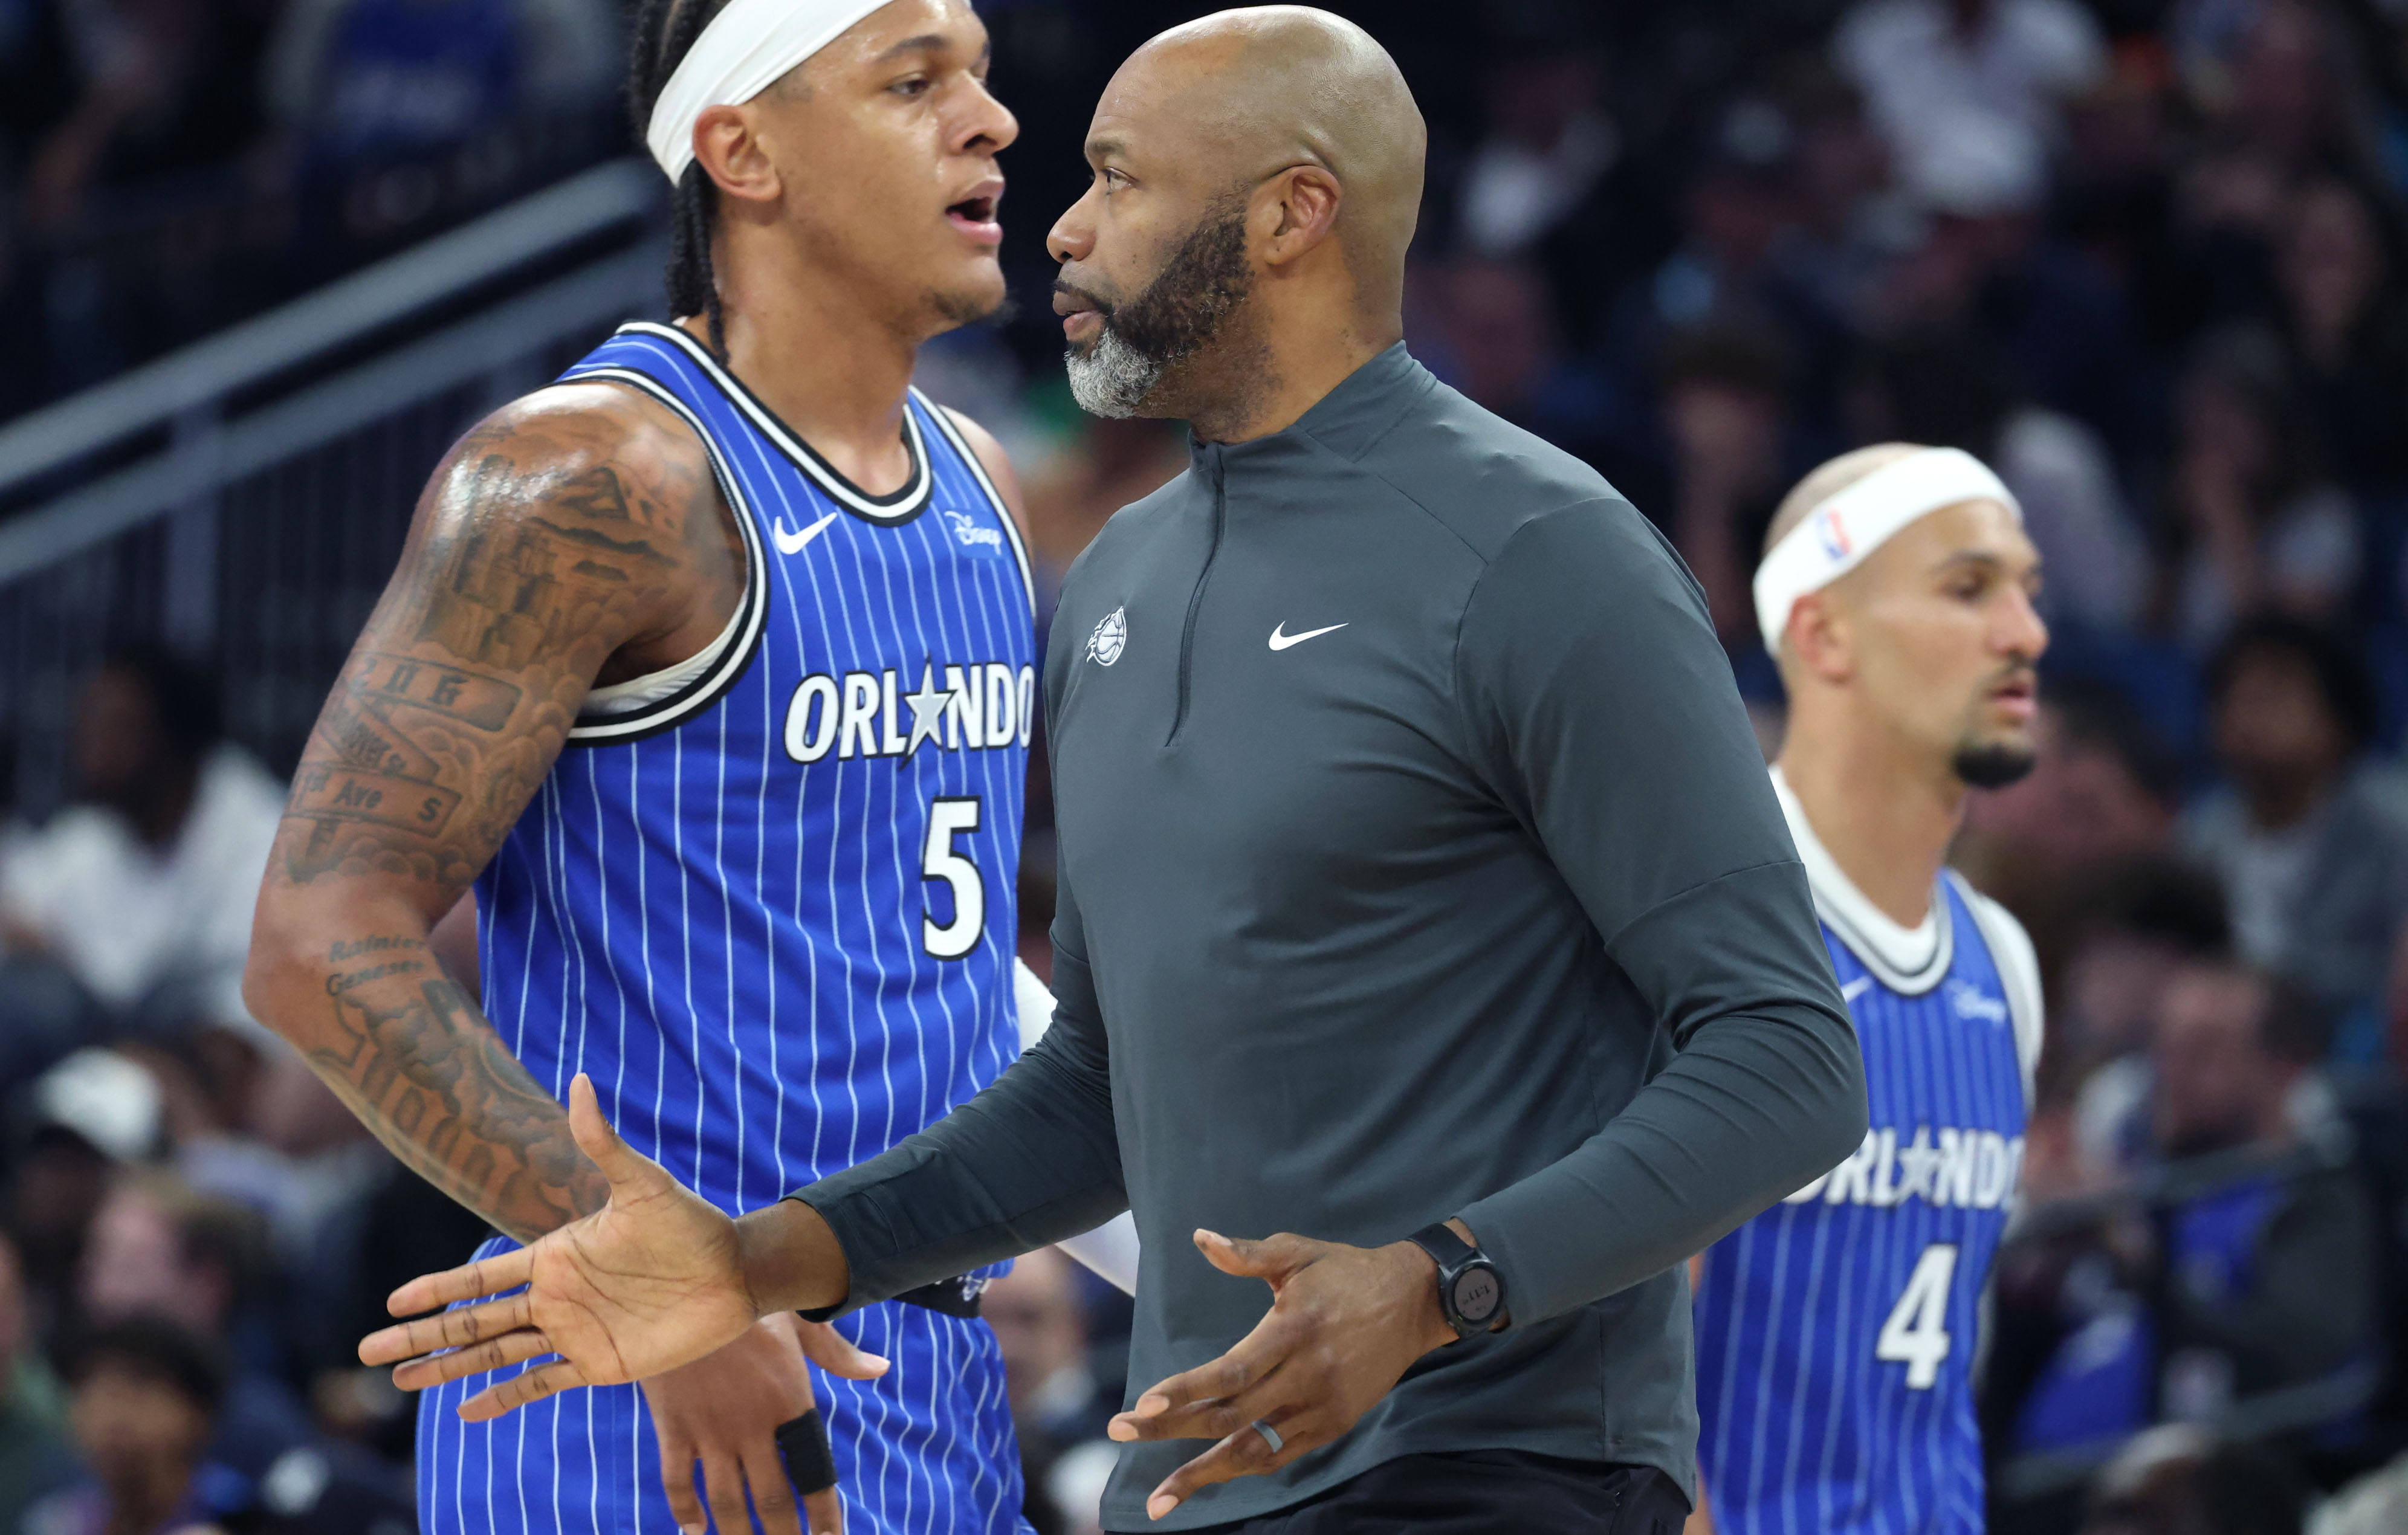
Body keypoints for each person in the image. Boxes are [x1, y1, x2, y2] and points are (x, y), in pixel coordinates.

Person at [367, 8, 1869, 1533]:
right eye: (919, 82)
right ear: (738, 152)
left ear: (1293, 214)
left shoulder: (1524, 548)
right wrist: (729, 1267)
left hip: (1447, 1454)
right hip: (1071, 1459)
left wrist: (1442, 1288)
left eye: (1116, 178)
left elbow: (1787, 1055)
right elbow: (1095, 1084)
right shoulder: (1077, 571)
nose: (1047, 197)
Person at [242, 0, 1084, 1530]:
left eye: (978, 71)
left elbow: (936, 960)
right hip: (633, 1403)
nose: (992, 120)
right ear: (741, 149)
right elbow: (317, 941)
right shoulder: (594, 477)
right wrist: (652, 1276)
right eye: (914, 80)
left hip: (941, 1389)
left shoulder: (987, 487)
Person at [1689, 442, 2047, 1534]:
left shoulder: (2005, 963)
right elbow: (1608, 1372)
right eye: (1968, 588)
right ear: (1821, 630)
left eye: (2031, 592)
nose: (2026, 633)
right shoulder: (1700, 927)